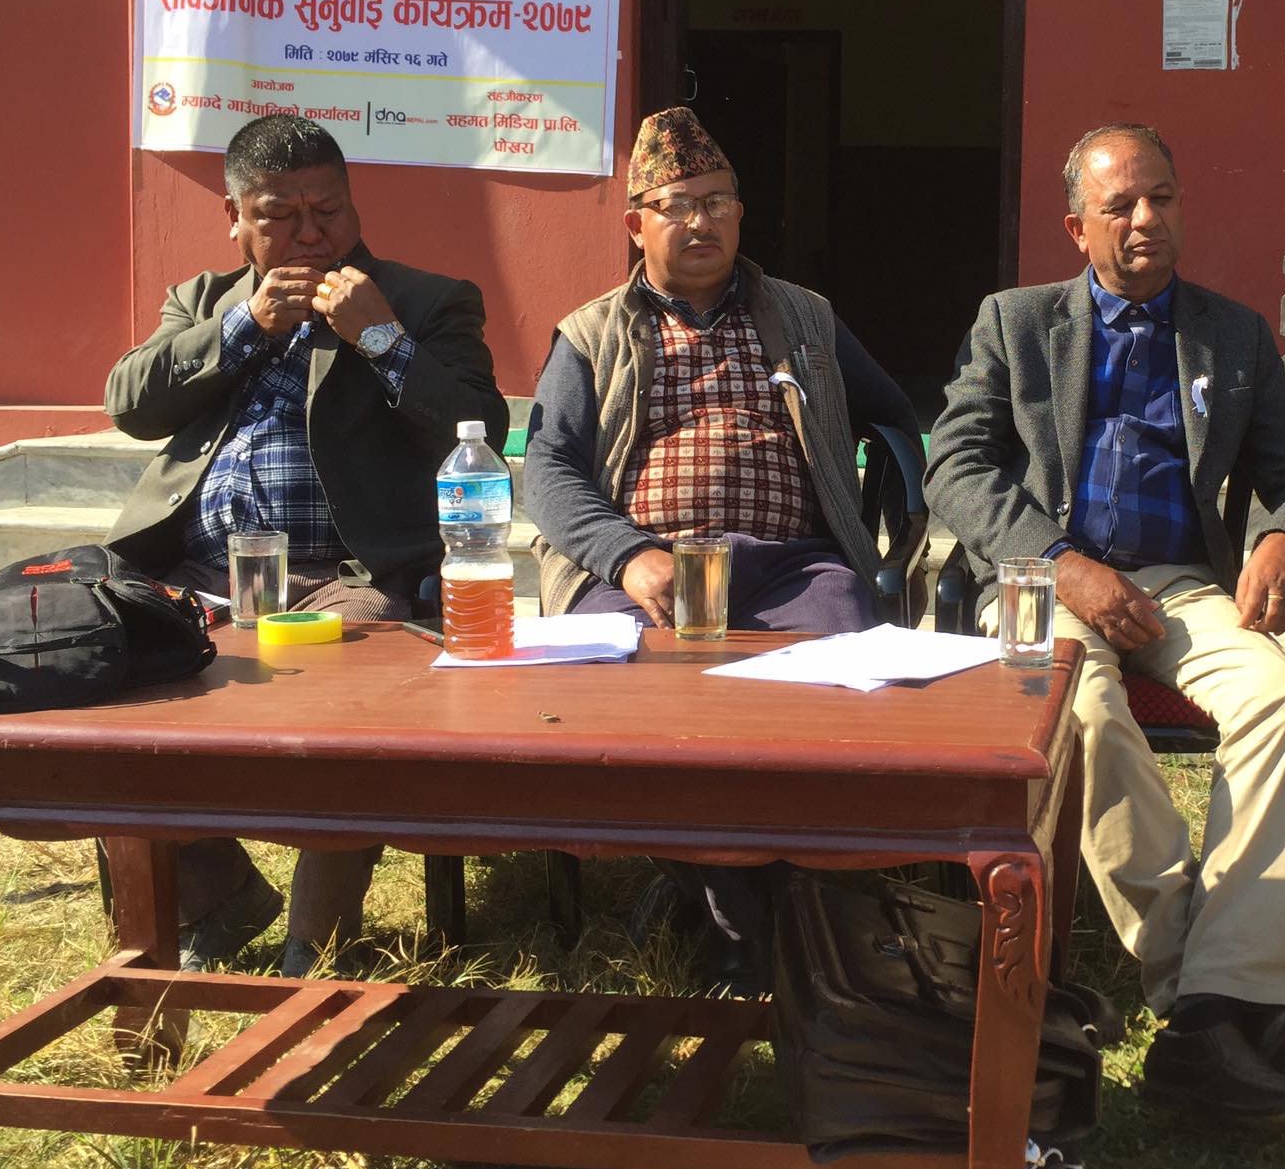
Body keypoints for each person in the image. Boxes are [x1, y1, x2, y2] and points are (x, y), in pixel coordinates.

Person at [924, 122, 1285, 1129]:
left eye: (1161, 197)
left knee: (1281, 701)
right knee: (1079, 712)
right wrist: (1060, 564)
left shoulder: (1231, 335)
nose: (1147, 218)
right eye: (1120, 206)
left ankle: (1212, 1007)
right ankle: (1214, 997)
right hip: (1044, 579)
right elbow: (954, 466)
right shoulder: (1015, 322)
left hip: (1181, 586)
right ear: (1078, 228)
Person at [105, 113, 509, 977]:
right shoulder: (203, 301)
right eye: (281, 217)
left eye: (328, 211)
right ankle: (219, 896)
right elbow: (129, 402)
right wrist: (244, 327)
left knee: (349, 696)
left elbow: (479, 427)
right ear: (235, 217)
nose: (312, 235)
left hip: (344, 575)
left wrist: (382, 339)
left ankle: (316, 949)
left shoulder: (427, 299)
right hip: (197, 573)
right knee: (96, 658)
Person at [522, 105, 919, 981]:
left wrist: (883, 509)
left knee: (848, 677)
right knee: (623, 705)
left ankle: (788, 897)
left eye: (717, 203)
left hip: (792, 566)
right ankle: (738, 908)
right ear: (638, 226)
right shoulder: (591, 333)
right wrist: (626, 554)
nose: (700, 222)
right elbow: (545, 471)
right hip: (645, 568)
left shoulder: (806, 317)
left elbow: (894, 411)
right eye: (676, 206)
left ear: (740, 214)